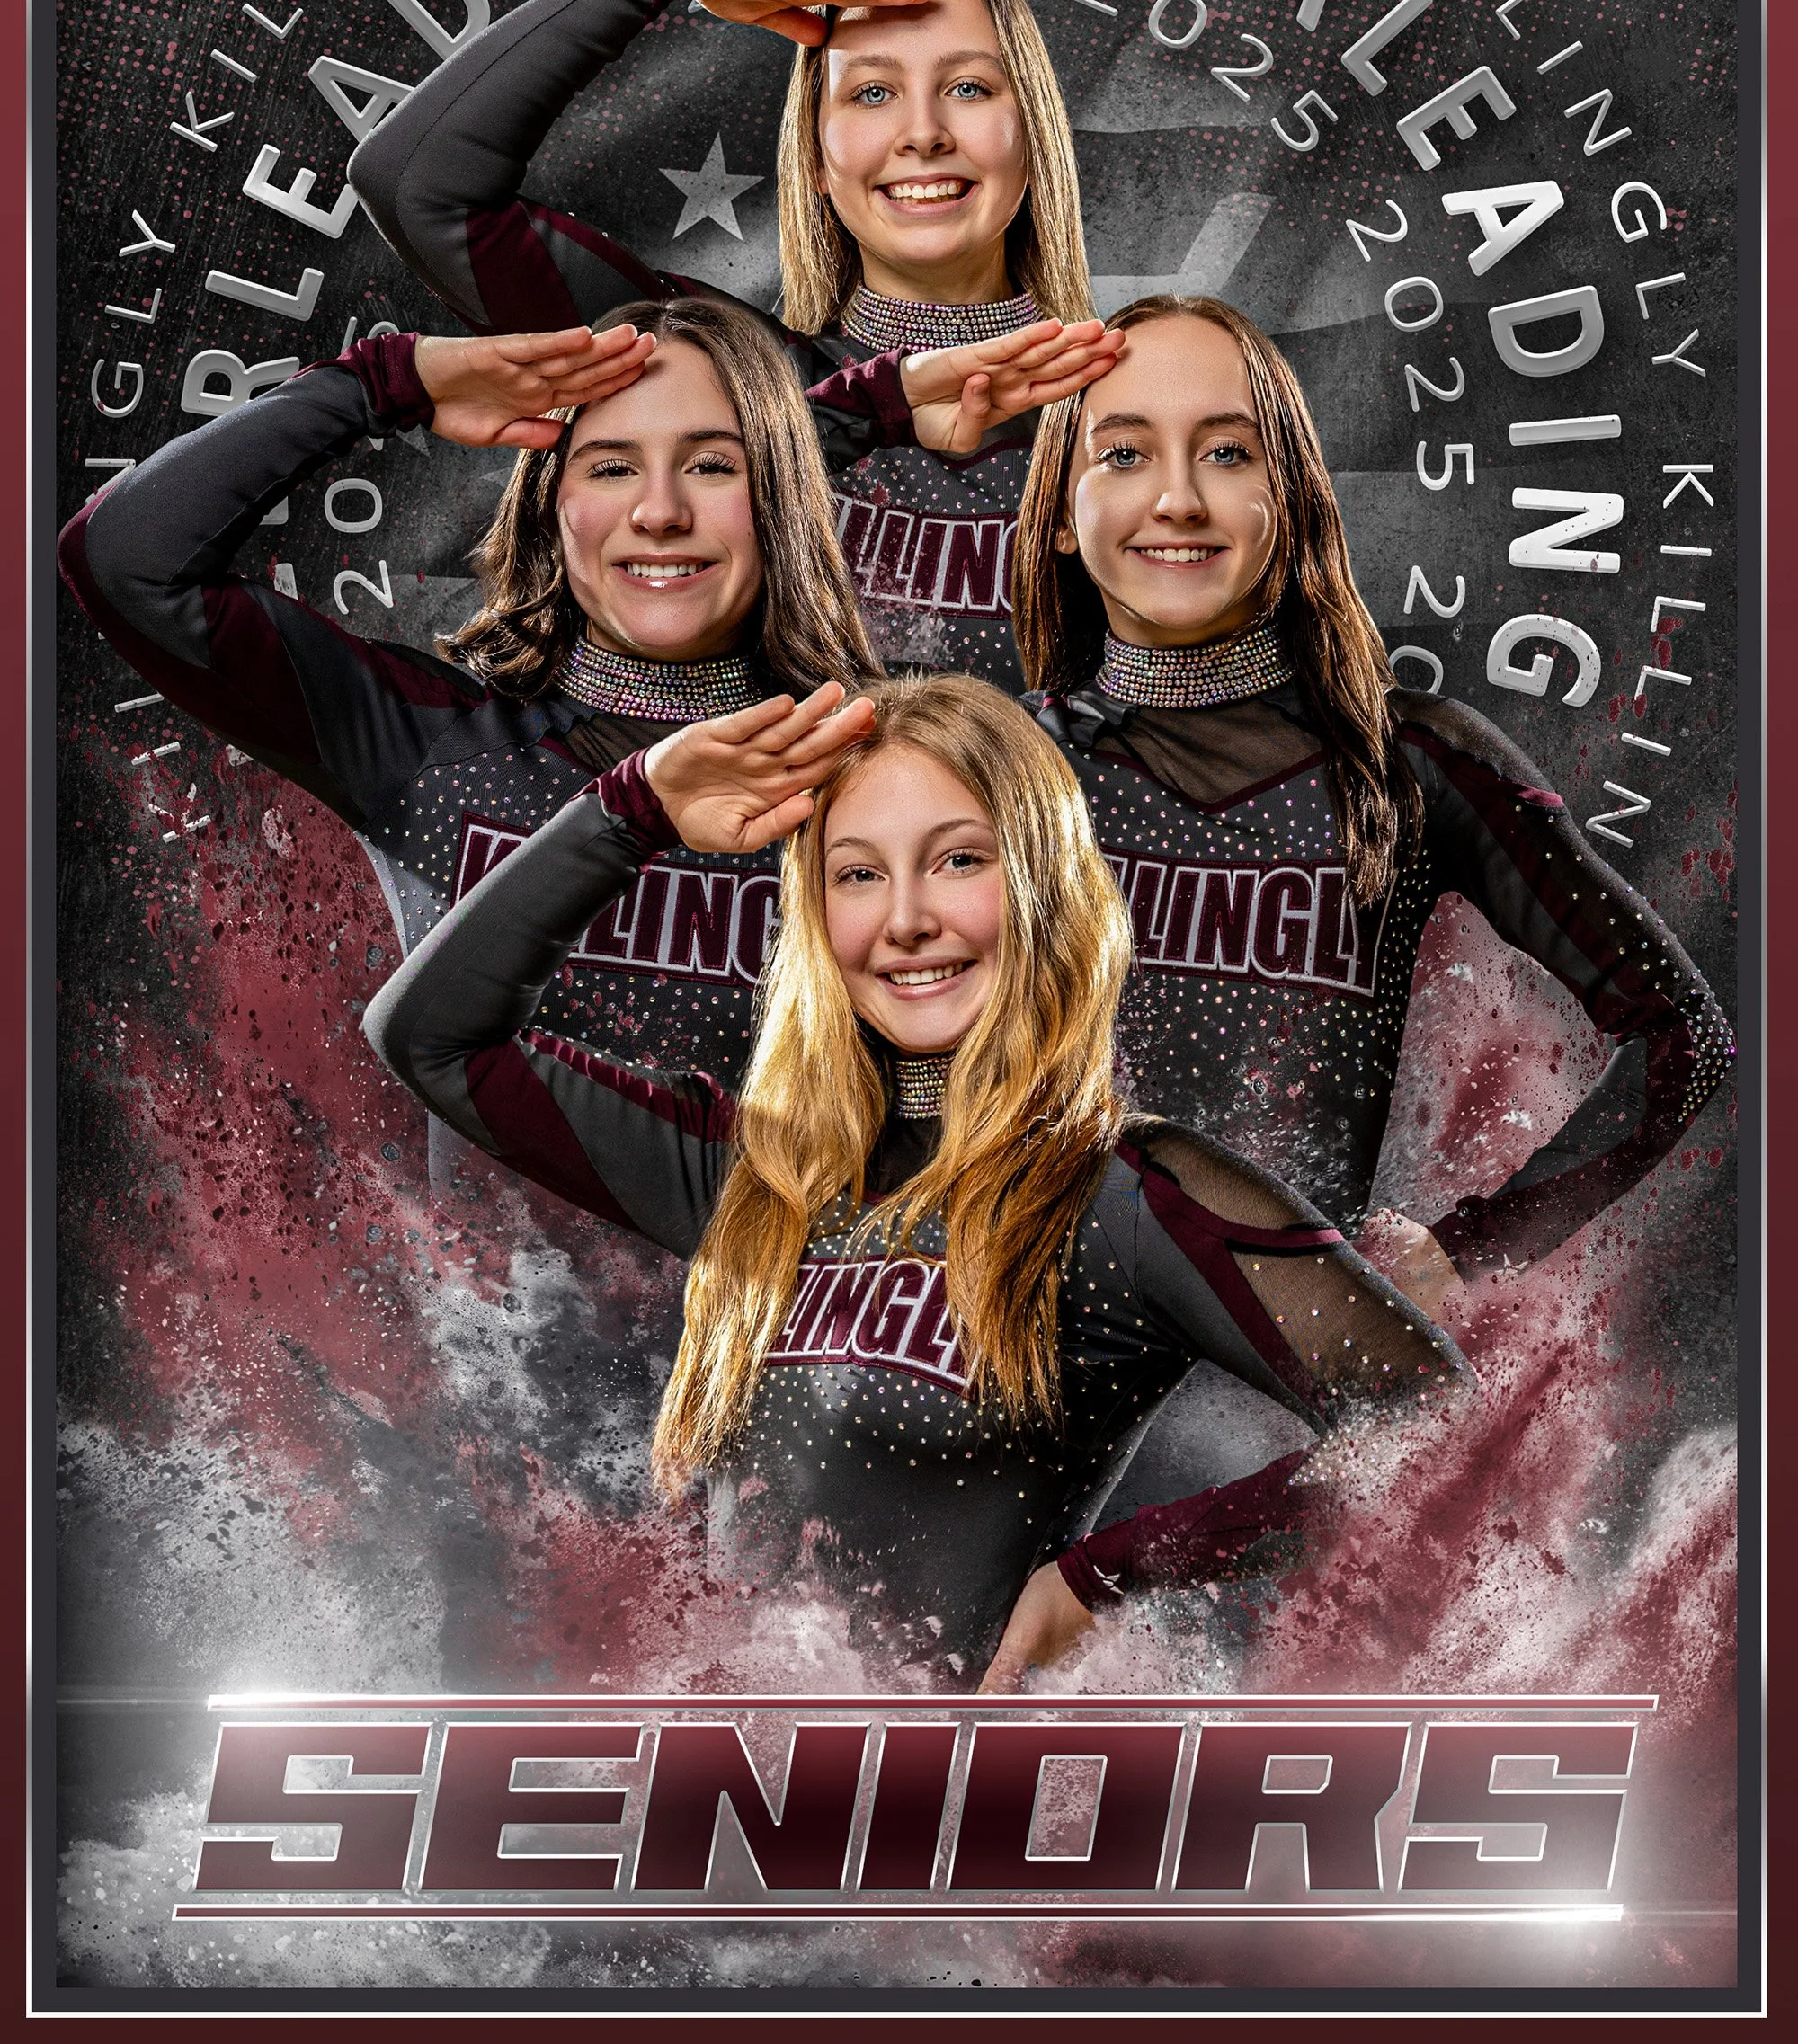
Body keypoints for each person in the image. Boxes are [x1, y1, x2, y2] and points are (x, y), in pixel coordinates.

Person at [363, 674, 1467, 1687]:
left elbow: (1442, 1428)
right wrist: (634, 803)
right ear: (815, 912)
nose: (904, 920)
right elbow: (430, 1039)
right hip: (718, 1845)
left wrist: (1104, 1577)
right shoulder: (751, 1171)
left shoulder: (1123, 1192)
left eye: (957, 859)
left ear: (1039, 881)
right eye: (858, 873)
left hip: (945, 1861)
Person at [1011, 294, 1735, 1306]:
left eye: (1226, 453)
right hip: (1007, 1384)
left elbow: (1681, 1031)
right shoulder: (995, 767)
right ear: (1054, 512)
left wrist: (1467, 1246)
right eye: (1123, 454)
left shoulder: (1407, 758)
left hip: (1295, 1410)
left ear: (1294, 496)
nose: (1175, 499)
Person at [58, 302, 883, 1100]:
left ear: (781, 496)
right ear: (550, 505)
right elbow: (126, 560)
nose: (659, 511)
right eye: (611, 466)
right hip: (465, 1249)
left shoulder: (885, 761)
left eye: (712, 464)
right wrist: (381, 383)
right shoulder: (423, 740)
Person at [350, 0, 1120, 688]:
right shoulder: (699, 366)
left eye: (966, 86)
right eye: (873, 92)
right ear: (816, 155)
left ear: (1032, 131)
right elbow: (419, 185)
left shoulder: (1141, 404)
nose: (922, 132)